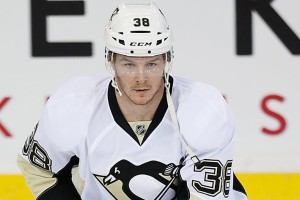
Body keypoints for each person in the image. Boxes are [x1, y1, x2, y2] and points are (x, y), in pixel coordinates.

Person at [17, 2, 247, 199]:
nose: (141, 78)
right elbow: (37, 170)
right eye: (129, 64)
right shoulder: (73, 103)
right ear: (111, 62)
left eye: (152, 64)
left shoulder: (202, 109)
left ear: (167, 61)